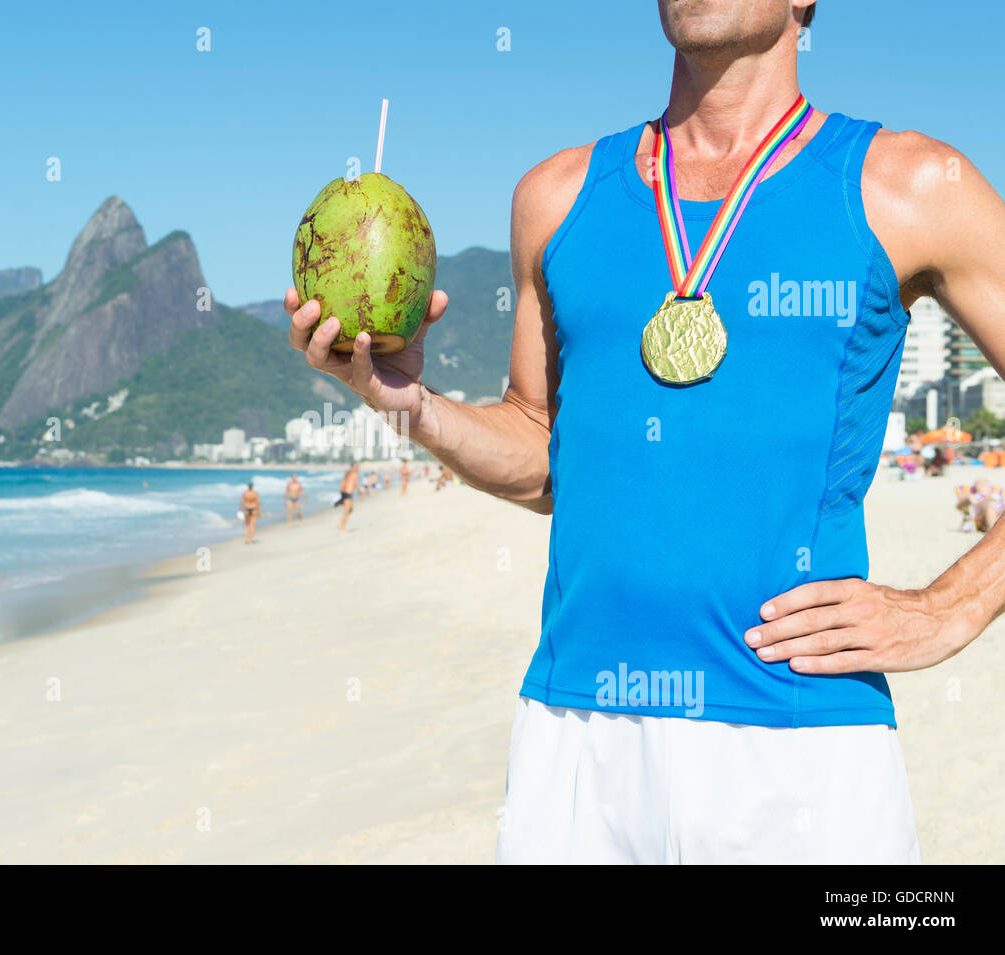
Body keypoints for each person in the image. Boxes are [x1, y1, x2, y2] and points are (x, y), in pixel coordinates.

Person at [285, 0, 1005, 864]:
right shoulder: (554, 197)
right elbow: (544, 451)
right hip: (573, 734)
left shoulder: (909, 185)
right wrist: (414, 404)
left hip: (799, 734)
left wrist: (950, 607)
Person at [334, 462, 358, 533]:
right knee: (347, 511)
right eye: (357, 466)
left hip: (344, 493)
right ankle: (342, 526)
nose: (358, 467)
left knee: (349, 509)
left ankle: (341, 524)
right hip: (348, 494)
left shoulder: (348, 473)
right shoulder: (354, 474)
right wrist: (359, 491)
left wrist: (342, 493)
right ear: (354, 466)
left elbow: (342, 483)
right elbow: (355, 484)